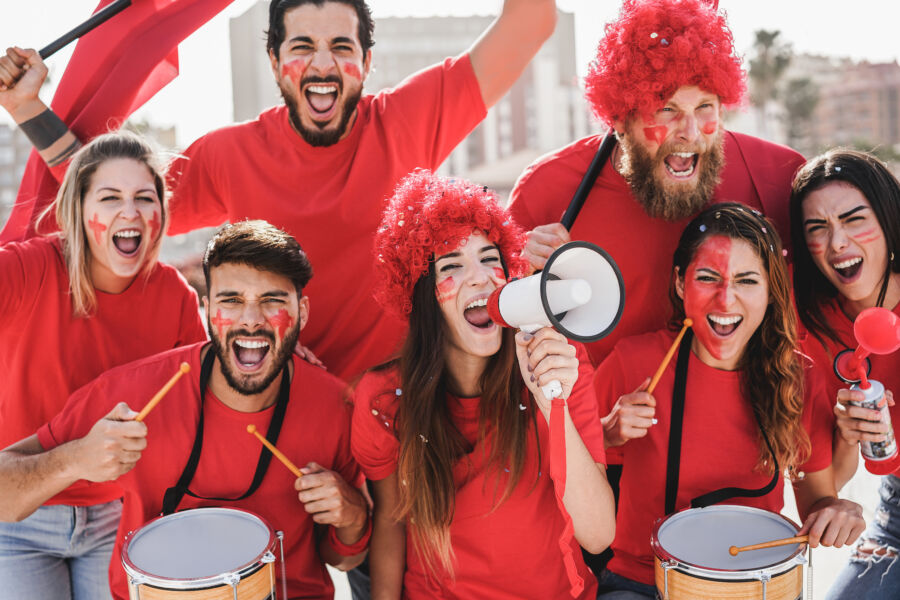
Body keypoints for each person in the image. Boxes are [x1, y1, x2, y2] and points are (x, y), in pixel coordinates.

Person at [0, 0, 559, 381]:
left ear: (366, 63)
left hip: (397, 411)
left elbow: (531, 22)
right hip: (282, 411)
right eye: (302, 46)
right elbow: (110, 197)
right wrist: (29, 109)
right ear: (274, 61)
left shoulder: (406, 120)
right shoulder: (227, 155)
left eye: (342, 46)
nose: (323, 63)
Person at [0, 220, 368, 600]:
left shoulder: (336, 406)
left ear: (302, 312)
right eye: (232, 300)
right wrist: (75, 458)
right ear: (207, 309)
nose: (251, 319)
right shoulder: (134, 393)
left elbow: (342, 560)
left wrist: (353, 515)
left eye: (273, 300)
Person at [351, 170, 615, 599]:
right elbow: (391, 524)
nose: (480, 277)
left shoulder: (561, 361)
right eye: (452, 265)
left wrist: (552, 402)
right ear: (422, 298)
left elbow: (598, 534)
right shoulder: (383, 400)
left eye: (490, 258)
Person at [508, 0, 805, 369]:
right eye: (666, 109)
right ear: (619, 119)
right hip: (596, 419)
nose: (691, 133)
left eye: (705, 107)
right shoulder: (547, 189)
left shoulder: (777, 175)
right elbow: (501, 333)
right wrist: (525, 278)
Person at [595, 203, 865, 598]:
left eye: (747, 281)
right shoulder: (634, 363)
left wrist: (841, 511)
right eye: (708, 278)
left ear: (772, 291)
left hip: (754, 586)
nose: (726, 301)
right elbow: (562, 474)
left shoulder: (799, 378)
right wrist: (605, 434)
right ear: (679, 284)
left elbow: (817, 503)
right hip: (641, 582)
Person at [0, 131, 207, 600]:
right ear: (78, 208)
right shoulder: (27, 269)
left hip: (119, 516)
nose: (129, 212)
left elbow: (203, 396)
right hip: (17, 513)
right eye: (110, 197)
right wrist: (75, 457)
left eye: (144, 198)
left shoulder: (174, 295)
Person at [788, 149, 900, 599]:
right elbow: (821, 494)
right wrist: (846, 436)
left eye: (854, 219)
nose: (836, 243)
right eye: (818, 227)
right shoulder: (804, 326)